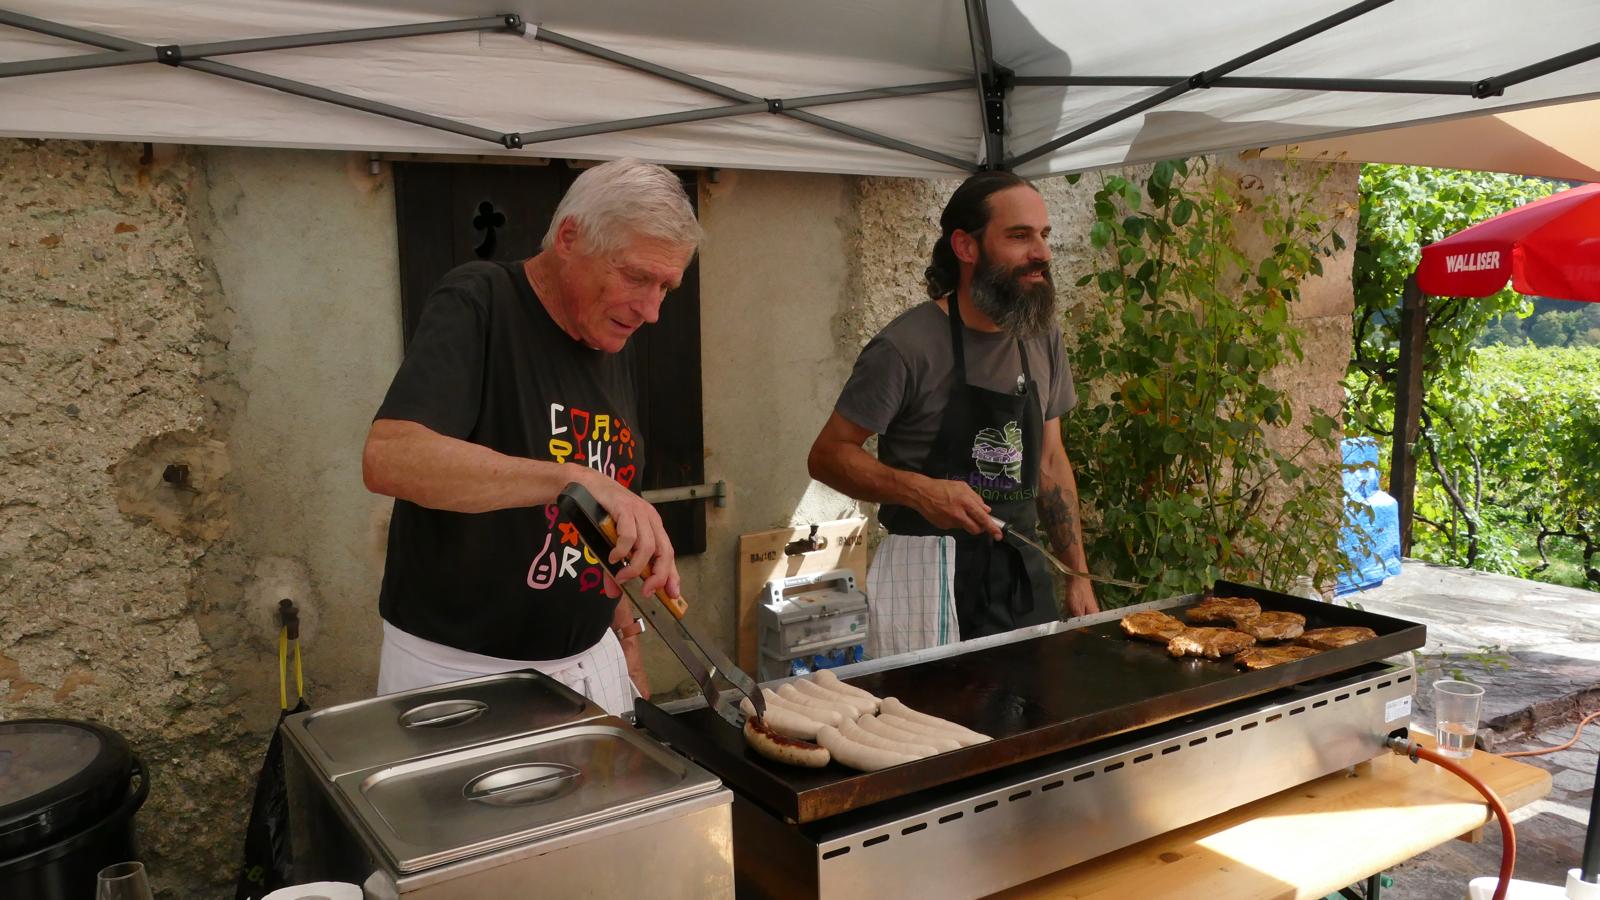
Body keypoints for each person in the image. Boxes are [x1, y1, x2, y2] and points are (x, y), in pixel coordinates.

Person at [362, 158, 700, 714]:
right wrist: (571, 479)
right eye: (637, 277)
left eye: (666, 286)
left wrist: (627, 635)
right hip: (463, 672)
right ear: (569, 238)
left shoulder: (608, 334)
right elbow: (390, 458)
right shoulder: (480, 301)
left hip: (591, 658)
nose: (652, 311)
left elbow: (596, 527)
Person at [808, 170, 1098, 657]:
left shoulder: (1041, 337)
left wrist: (1078, 575)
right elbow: (827, 456)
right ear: (966, 246)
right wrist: (919, 490)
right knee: (927, 708)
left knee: (1036, 702)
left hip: (1021, 576)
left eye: (1044, 235)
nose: (1042, 253)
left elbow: (1050, 460)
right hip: (925, 580)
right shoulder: (906, 347)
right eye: (1019, 236)